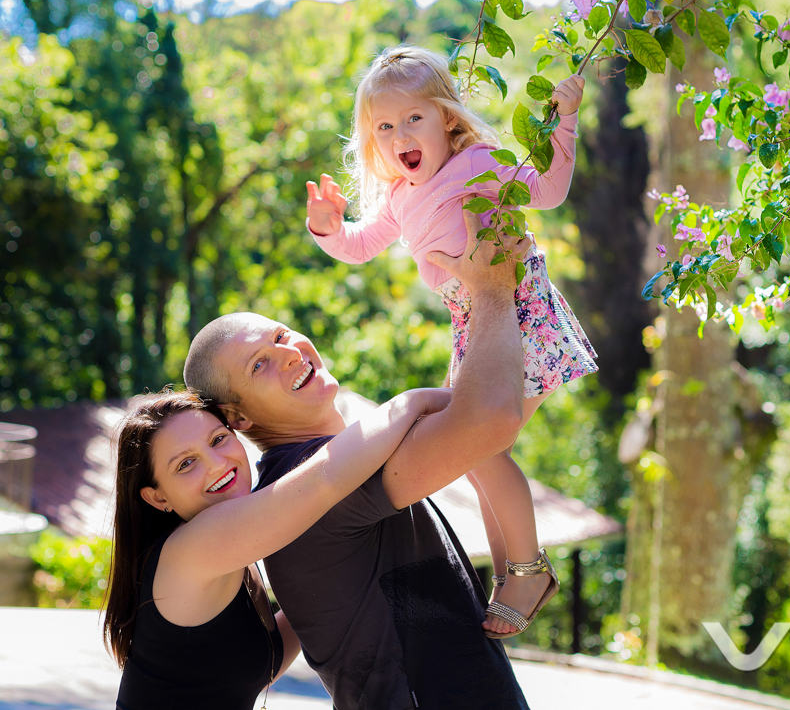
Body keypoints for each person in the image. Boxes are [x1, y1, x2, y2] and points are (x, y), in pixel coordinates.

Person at [182, 210, 531, 709]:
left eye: (280, 335)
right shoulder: (311, 483)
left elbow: (484, 442)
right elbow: (492, 418)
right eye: (259, 363)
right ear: (237, 418)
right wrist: (491, 287)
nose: (288, 353)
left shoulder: (346, 460)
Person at [304, 44, 597, 638]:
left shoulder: (479, 162)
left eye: (414, 117)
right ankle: (512, 577)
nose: (399, 134)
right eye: (384, 126)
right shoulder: (399, 196)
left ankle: (526, 571)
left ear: (448, 119)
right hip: (473, 322)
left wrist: (565, 121)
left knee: (481, 448)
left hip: (518, 310)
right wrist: (327, 227)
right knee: (474, 453)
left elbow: (546, 191)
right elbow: (360, 246)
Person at [104, 386, 447, 710]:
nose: (216, 464)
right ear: (158, 496)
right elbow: (323, 481)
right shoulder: (193, 549)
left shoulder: (231, 559)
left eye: (219, 439)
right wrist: (413, 403)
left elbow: (260, 659)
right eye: (185, 464)